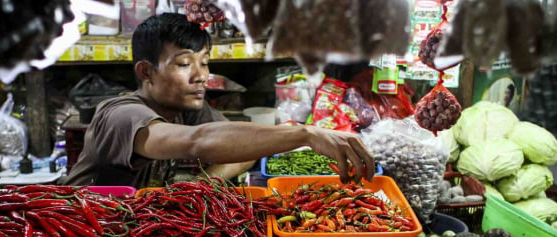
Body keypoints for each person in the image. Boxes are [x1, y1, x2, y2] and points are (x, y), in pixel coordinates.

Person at [61, 13, 374, 189]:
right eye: (184, 64)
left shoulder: (184, 108)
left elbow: (238, 151)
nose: (201, 76)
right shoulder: (122, 114)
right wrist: (304, 133)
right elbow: (200, 141)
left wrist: (200, 183)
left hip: (131, 231)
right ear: (146, 71)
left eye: (205, 63)